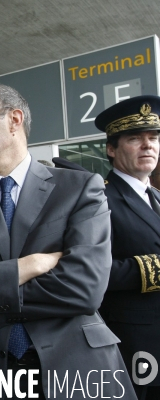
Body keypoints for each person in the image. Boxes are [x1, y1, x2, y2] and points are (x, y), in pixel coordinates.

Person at [0, 85, 135, 398]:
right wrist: (28, 265)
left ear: (14, 119)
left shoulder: (78, 188)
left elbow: (84, 289)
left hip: (75, 366)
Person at [95, 95, 160, 400]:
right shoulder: (97, 200)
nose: (148, 145)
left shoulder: (156, 196)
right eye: (135, 138)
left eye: (154, 137)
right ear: (111, 149)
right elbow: (93, 270)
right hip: (133, 343)